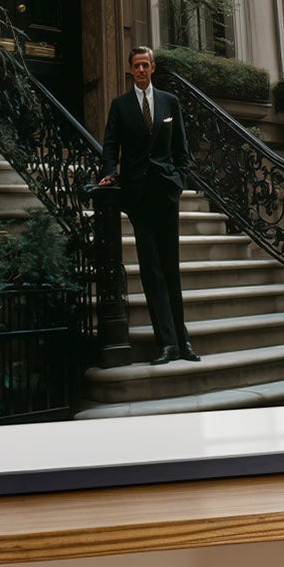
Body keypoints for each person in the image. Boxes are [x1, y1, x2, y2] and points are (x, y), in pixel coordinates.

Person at [99, 46, 198, 364]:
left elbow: (181, 146)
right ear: (130, 70)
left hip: (166, 193)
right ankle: (166, 343)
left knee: (171, 268)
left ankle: (183, 341)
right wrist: (109, 172)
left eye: (145, 65)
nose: (141, 70)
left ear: (153, 68)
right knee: (151, 269)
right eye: (136, 66)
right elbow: (111, 143)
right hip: (138, 195)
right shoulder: (120, 105)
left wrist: (179, 179)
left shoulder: (170, 102)